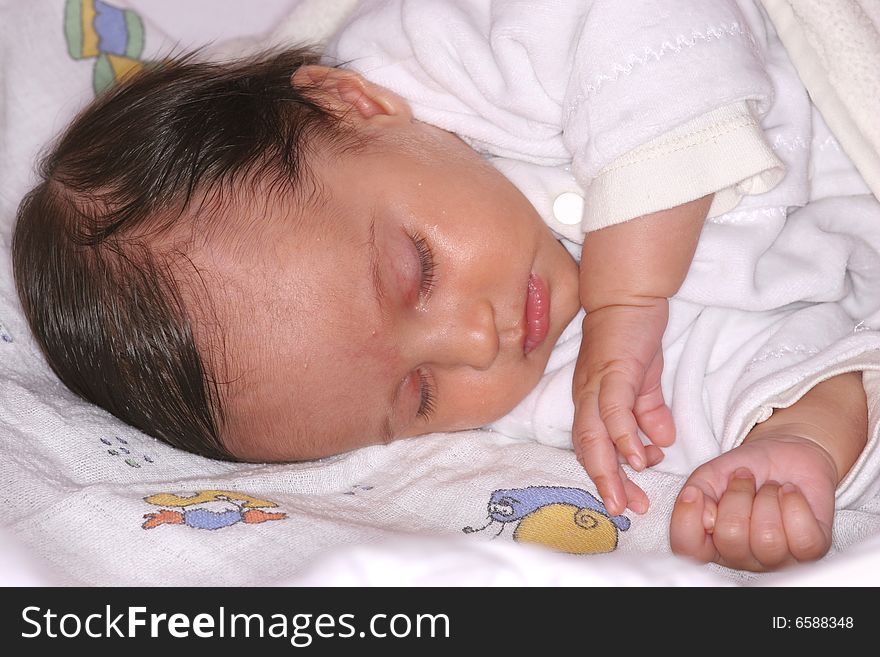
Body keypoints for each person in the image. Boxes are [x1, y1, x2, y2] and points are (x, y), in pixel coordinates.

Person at [11, 0, 880, 571]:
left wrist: (628, 298)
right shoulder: (566, 393)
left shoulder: (453, 51)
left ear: (351, 104)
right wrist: (788, 445)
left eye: (417, 269)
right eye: (418, 393)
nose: (478, 341)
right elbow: (783, 359)